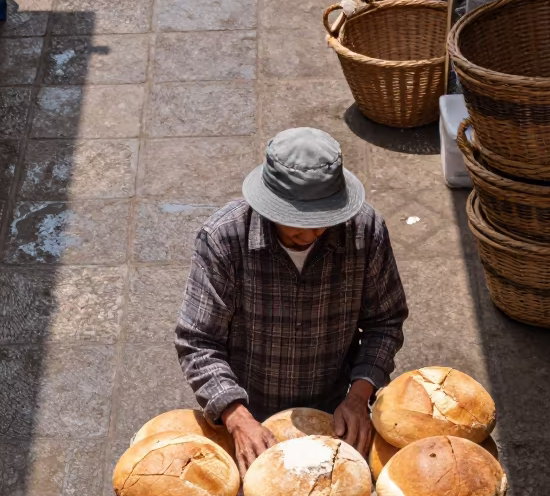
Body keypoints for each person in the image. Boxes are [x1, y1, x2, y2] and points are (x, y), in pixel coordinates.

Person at [174, 127, 409, 475]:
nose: (313, 233)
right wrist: (235, 415)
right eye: (298, 222)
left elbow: (384, 323)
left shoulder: (366, 231)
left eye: (323, 221)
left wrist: (359, 397)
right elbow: (198, 341)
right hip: (248, 407)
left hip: (334, 407)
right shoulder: (224, 239)